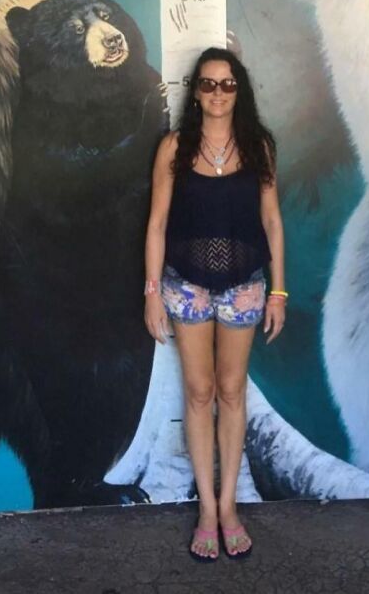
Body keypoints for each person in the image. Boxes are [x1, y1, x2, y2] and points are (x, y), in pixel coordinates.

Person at [144, 47, 286, 562]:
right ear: (196, 92)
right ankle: (206, 508)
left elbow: (272, 223)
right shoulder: (174, 148)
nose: (218, 93)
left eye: (227, 85)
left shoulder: (260, 147)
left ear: (239, 91)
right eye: (208, 84)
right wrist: (152, 293)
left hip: (246, 287)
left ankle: (229, 508)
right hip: (186, 286)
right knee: (199, 392)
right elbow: (157, 224)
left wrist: (278, 291)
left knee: (231, 391)